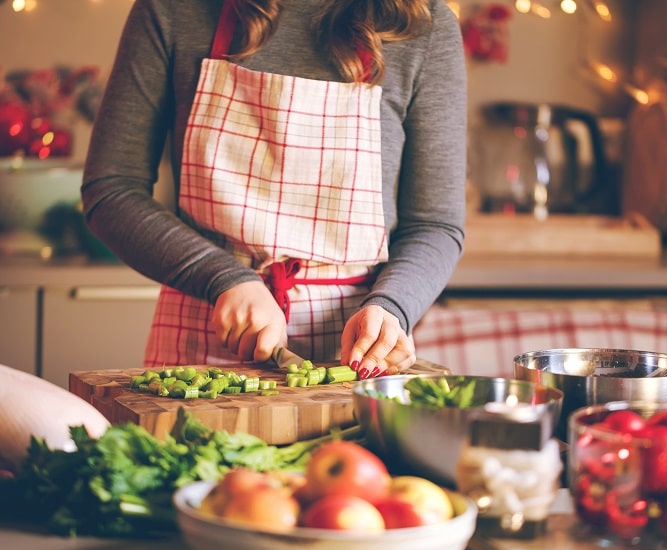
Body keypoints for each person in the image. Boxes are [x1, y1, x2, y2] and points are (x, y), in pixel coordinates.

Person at [81, 0, 467, 379]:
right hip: (202, 338)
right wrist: (223, 278)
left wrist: (392, 306)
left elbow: (434, 225)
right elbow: (111, 190)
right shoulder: (173, 10)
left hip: (356, 355)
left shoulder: (424, 26)